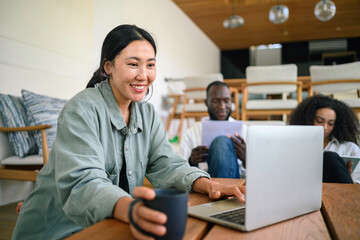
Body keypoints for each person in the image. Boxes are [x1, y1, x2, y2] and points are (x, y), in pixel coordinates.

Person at [12, 25, 245, 240]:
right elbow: (84, 183)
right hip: (58, 229)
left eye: (150, 65)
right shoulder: (81, 109)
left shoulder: (147, 114)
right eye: (133, 64)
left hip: (113, 220)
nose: (143, 75)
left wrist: (210, 185)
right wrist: (132, 209)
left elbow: (167, 163)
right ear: (108, 67)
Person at [180, 81, 246, 178]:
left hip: (234, 184)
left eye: (226, 101)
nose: (222, 107)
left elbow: (257, 176)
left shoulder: (243, 131)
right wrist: (191, 162)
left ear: (231, 102)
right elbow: (178, 173)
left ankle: (220, 190)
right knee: (221, 142)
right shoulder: (191, 133)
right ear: (206, 103)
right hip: (204, 185)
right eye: (216, 101)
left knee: (222, 142)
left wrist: (246, 159)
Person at [289, 94, 360, 183]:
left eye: (330, 123)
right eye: (319, 121)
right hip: (305, 190)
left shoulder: (349, 148)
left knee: (330, 158)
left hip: (340, 194)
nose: (325, 127)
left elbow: (358, 184)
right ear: (309, 119)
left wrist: (347, 178)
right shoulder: (295, 146)